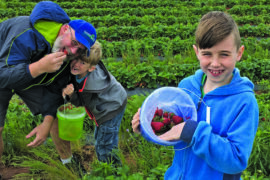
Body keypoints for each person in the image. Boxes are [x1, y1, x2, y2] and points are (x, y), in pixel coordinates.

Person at [132, 11, 259, 179]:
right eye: (207, 53)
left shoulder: (243, 101)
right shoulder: (187, 86)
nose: (215, 63)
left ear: (239, 53)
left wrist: (194, 133)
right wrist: (148, 127)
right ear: (196, 52)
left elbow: (236, 159)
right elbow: (173, 131)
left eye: (224, 54)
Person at [0, 1, 96, 176]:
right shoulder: (25, 33)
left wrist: (46, 121)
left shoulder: (67, 56)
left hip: (31, 73)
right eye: (73, 42)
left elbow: (55, 90)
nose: (72, 50)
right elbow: (3, 76)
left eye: (79, 49)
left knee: (57, 114)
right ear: (65, 29)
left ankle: (68, 162)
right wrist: (39, 67)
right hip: (3, 68)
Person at [50, 41, 127, 169]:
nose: (76, 64)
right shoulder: (84, 72)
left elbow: (80, 102)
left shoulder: (90, 86)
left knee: (103, 146)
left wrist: (72, 94)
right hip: (116, 100)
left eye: (82, 63)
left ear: (91, 68)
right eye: (76, 59)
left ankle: (109, 171)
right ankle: (116, 166)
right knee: (106, 138)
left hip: (110, 110)